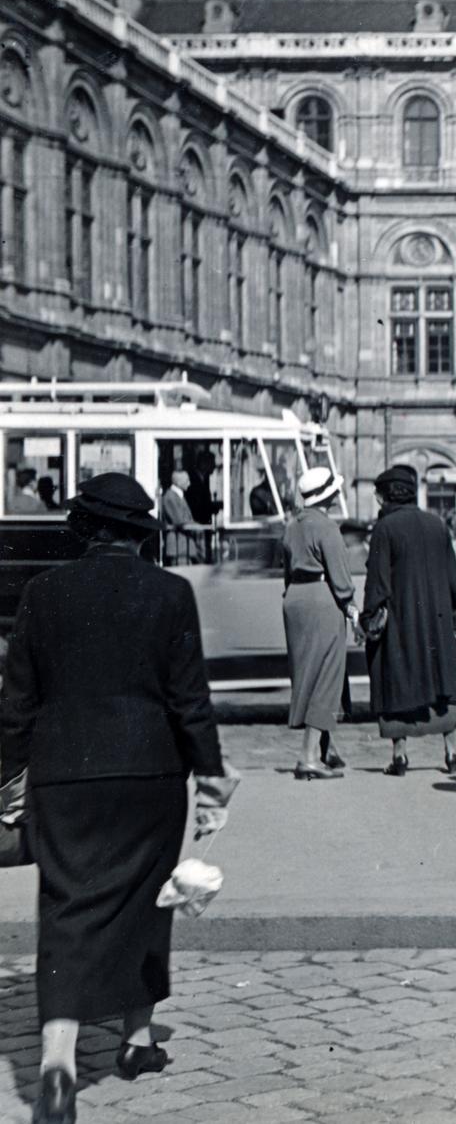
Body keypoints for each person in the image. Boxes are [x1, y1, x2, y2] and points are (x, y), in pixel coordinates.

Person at [0, 473, 235, 1124]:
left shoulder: (43, 593)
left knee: (67, 910)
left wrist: (9, 781)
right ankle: (134, 1043)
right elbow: (190, 699)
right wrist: (210, 774)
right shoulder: (170, 593)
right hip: (149, 774)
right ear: (140, 532)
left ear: (84, 529)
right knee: (147, 901)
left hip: (63, 776)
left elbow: (15, 699)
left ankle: (55, 1067)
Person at [361, 464, 456, 776]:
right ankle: (452, 752)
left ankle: (399, 756)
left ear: (385, 496)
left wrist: (369, 617)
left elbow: (378, 582)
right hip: (436, 618)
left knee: (397, 677)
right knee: (442, 680)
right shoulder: (436, 524)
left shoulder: (385, 528)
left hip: (400, 620)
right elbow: (452, 577)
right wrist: (453, 613)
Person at [283, 466, 354, 781]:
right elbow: (340, 577)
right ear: (330, 495)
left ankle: (327, 748)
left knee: (305, 672)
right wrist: (350, 606)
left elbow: (287, 569)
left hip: (294, 598)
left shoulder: (292, 525)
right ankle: (309, 756)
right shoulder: (327, 527)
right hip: (321, 597)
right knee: (326, 675)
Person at [161, 470, 205, 565]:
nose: (189, 483)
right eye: (187, 480)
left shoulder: (178, 496)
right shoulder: (170, 497)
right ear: (178, 482)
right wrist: (197, 526)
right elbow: (179, 520)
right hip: (179, 547)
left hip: (184, 546)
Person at [184, 448, 220, 526]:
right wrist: (214, 507)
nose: (214, 466)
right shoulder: (192, 481)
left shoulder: (203, 480)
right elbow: (199, 506)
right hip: (197, 526)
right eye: (212, 463)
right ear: (203, 464)